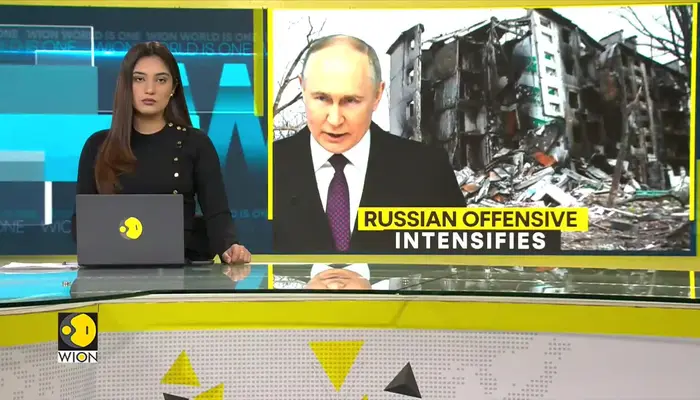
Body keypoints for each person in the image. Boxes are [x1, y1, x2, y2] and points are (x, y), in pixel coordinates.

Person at [273, 35, 465, 254]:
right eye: (322, 99)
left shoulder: (429, 171)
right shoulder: (261, 172)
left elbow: (459, 263)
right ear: (302, 88)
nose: (335, 120)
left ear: (377, 95)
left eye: (351, 101)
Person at [72, 42, 251, 264]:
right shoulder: (97, 146)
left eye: (161, 80)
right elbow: (82, 224)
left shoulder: (196, 144)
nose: (150, 89)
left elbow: (217, 214)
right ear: (126, 85)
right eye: (139, 79)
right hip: (112, 273)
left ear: (173, 87)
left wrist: (229, 246)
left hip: (181, 272)